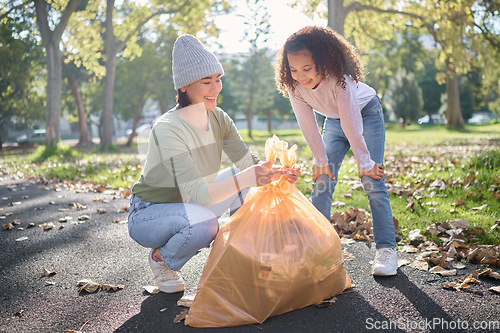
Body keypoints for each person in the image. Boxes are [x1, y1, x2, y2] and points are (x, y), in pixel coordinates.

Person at [128, 34, 299, 293]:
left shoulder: (219, 118)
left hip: (191, 203)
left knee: (247, 187)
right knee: (206, 223)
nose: (215, 88)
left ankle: (239, 257)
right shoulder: (167, 128)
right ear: (184, 87)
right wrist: (246, 176)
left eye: (218, 80)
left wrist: (278, 172)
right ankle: (161, 258)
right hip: (150, 213)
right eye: (206, 81)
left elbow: (246, 163)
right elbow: (200, 193)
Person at [275, 26, 397, 276]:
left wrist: (364, 161)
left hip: (365, 114)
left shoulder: (340, 79)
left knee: (372, 179)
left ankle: (387, 250)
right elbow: (307, 125)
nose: (300, 75)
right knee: (322, 177)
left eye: (307, 69)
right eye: (294, 69)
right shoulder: (294, 86)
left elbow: (352, 122)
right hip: (333, 121)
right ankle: (318, 249)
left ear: (323, 61)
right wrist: (320, 160)